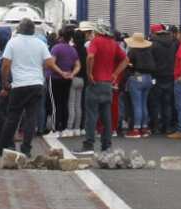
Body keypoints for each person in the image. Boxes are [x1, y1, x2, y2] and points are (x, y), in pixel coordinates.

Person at [0, 19, 68, 157]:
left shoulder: (13, 42)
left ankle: (1, 148)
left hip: (19, 85)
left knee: (12, 118)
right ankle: (26, 149)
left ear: (19, 29)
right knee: (31, 118)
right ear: (32, 30)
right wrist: (57, 72)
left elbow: (5, 65)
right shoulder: (40, 43)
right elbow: (48, 63)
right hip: (36, 84)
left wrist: (5, 82)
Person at [79, 21, 128, 154]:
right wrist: (115, 74)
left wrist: (89, 73)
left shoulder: (96, 41)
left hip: (95, 83)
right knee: (106, 116)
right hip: (108, 84)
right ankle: (106, 145)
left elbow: (90, 57)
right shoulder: (113, 43)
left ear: (98, 30)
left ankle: (89, 145)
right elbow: (126, 60)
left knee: (91, 115)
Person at [49, 28, 80, 136]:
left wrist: (61, 72)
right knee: (64, 103)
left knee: (55, 104)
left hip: (56, 78)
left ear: (61, 36)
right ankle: (64, 127)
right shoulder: (73, 50)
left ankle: (55, 128)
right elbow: (78, 65)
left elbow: (51, 63)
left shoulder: (55, 48)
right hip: (67, 80)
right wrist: (72, 74)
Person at [124, 32, 155, 138]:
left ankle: (136, 129)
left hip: (137, 78)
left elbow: (127, 63)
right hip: (148, 78)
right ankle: (145, 128)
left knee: (137, 104)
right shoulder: (149, 51)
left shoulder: (133, 51)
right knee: (144, 104)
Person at [148, 23, 177, 135]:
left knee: (155, 103)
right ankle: (167, 126)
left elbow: (151, 61)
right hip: (170, 75)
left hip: (157, 76)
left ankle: (156, 126)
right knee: (167, 103)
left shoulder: (153, 45)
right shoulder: (173, 44)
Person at [65, 28, 87, 137]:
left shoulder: (72, 49)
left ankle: (70, 127)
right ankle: (78, 127)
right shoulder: (86, 50)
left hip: (73, 77)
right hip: (83, 79)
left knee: (71, 104)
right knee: (79, 104)